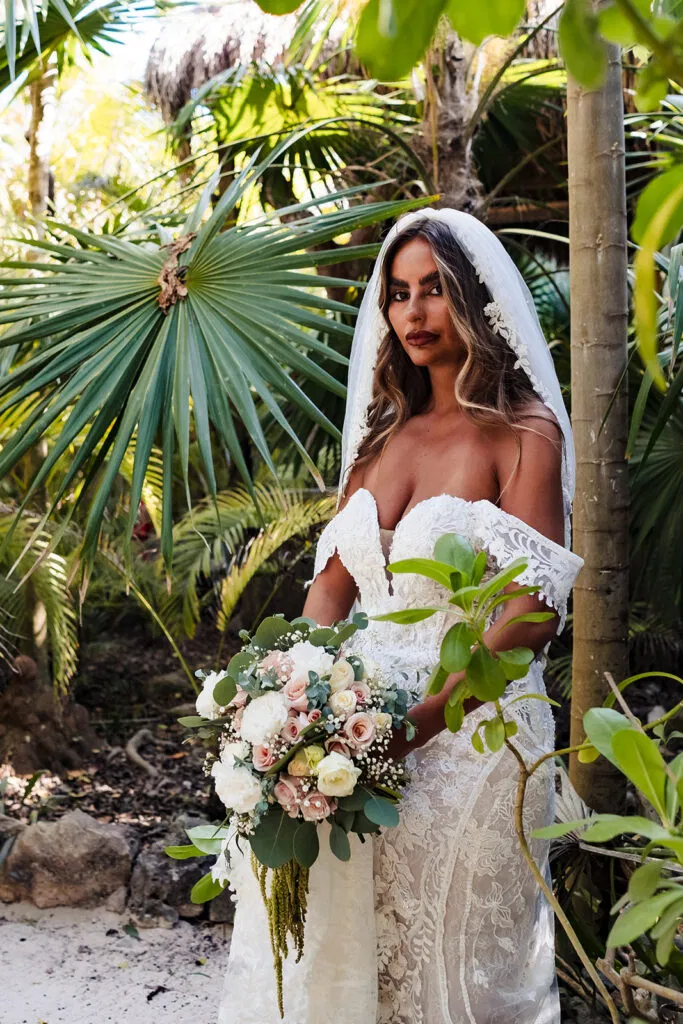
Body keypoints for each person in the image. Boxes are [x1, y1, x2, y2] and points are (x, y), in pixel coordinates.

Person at [217, 208, 584, 1024]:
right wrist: (291, 703)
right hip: (356, 732)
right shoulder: (380, 441)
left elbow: (530, 613)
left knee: (452, 971)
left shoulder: (524, 433)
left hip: (471, 731)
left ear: (473, 302)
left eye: (433, 292)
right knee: (350, 967)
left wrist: (417, 723)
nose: (413, 313)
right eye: (397, 294)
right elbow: (328, 594)